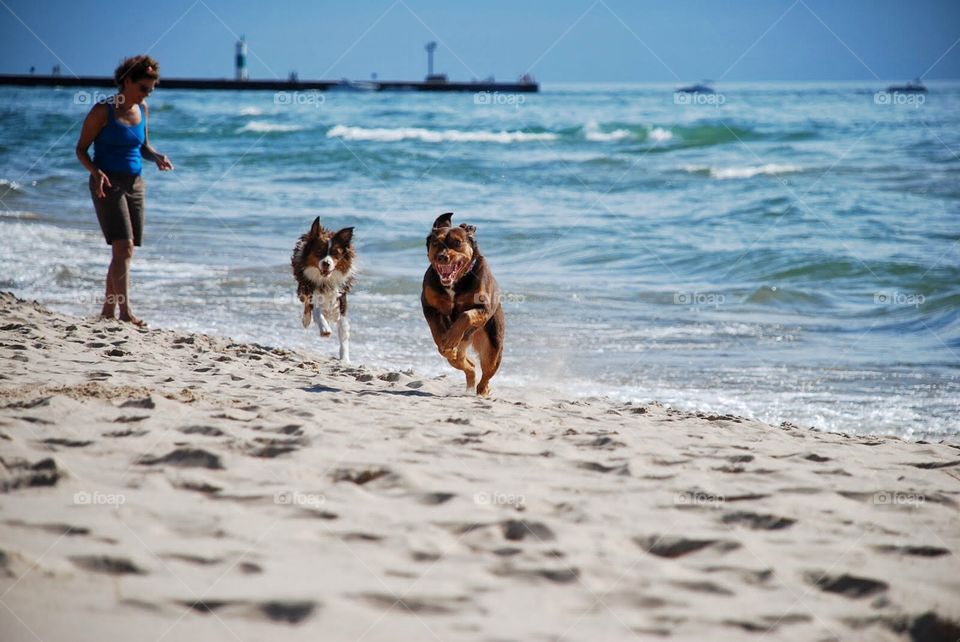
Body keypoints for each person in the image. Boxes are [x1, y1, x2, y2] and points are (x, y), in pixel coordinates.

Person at [75, 55, 174, 326]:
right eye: (143, 87)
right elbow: (81, 150)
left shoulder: (142, 108)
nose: (147, 93)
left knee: (123, 251)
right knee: (124, 247)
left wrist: (156, 157)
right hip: (107, 183)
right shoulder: (102, 111)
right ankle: (125, 312)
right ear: (127, 81)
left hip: (136, 183)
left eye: (151, 89)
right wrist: (96, 172)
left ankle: (107, 312)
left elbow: (142, 146)